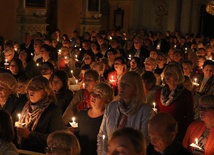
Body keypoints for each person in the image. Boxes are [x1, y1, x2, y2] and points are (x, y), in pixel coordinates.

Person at [97, 71, 154, 155]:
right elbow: (102, 135)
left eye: (127, 85)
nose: (122, 87)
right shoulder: (111, 107)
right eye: (121, 83)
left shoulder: (145, 111)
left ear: (136, 89)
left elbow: (143, 141)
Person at [16, 76, 64, 153]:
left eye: (37, 88)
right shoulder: (24, 106)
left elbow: (55, 138)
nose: (32, 90)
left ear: (45, 92)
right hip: (22, 151)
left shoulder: (53, 110)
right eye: (30, 87)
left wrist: (30, 135)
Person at [154, 62, 194, 141]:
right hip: (160, 131)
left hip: (177, 133)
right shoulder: (159, 92)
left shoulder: (185, 94)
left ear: (177, 76)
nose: (167, 76)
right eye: (166, 74)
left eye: (171, 74)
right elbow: (156, 110)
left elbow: (190, 116)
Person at [75, 83, 113, 155]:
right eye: (93, 93)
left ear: (107, 100)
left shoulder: (108, 120)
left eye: (98, 94)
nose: (93, 96)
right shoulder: (81, 114)